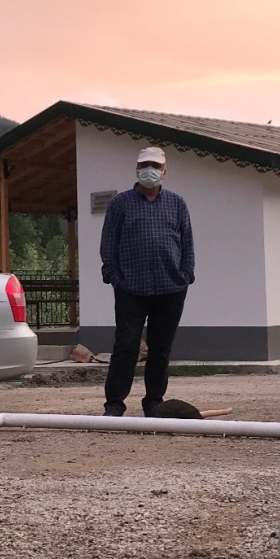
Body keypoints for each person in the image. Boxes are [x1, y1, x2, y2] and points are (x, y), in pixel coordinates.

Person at [99, 147, 194, 417]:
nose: (149, 170)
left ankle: (154, 402)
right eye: (144, 165)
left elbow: (187, 242)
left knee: (161, 350)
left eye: (155, 165)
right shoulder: (120, 204)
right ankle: (114, 403)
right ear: (136, 170)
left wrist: (186, 274)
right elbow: (108, 245)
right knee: (126, 346)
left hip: (171, 288)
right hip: (131, 289)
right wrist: (115, 277)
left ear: (164, 172)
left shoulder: (177, 203)